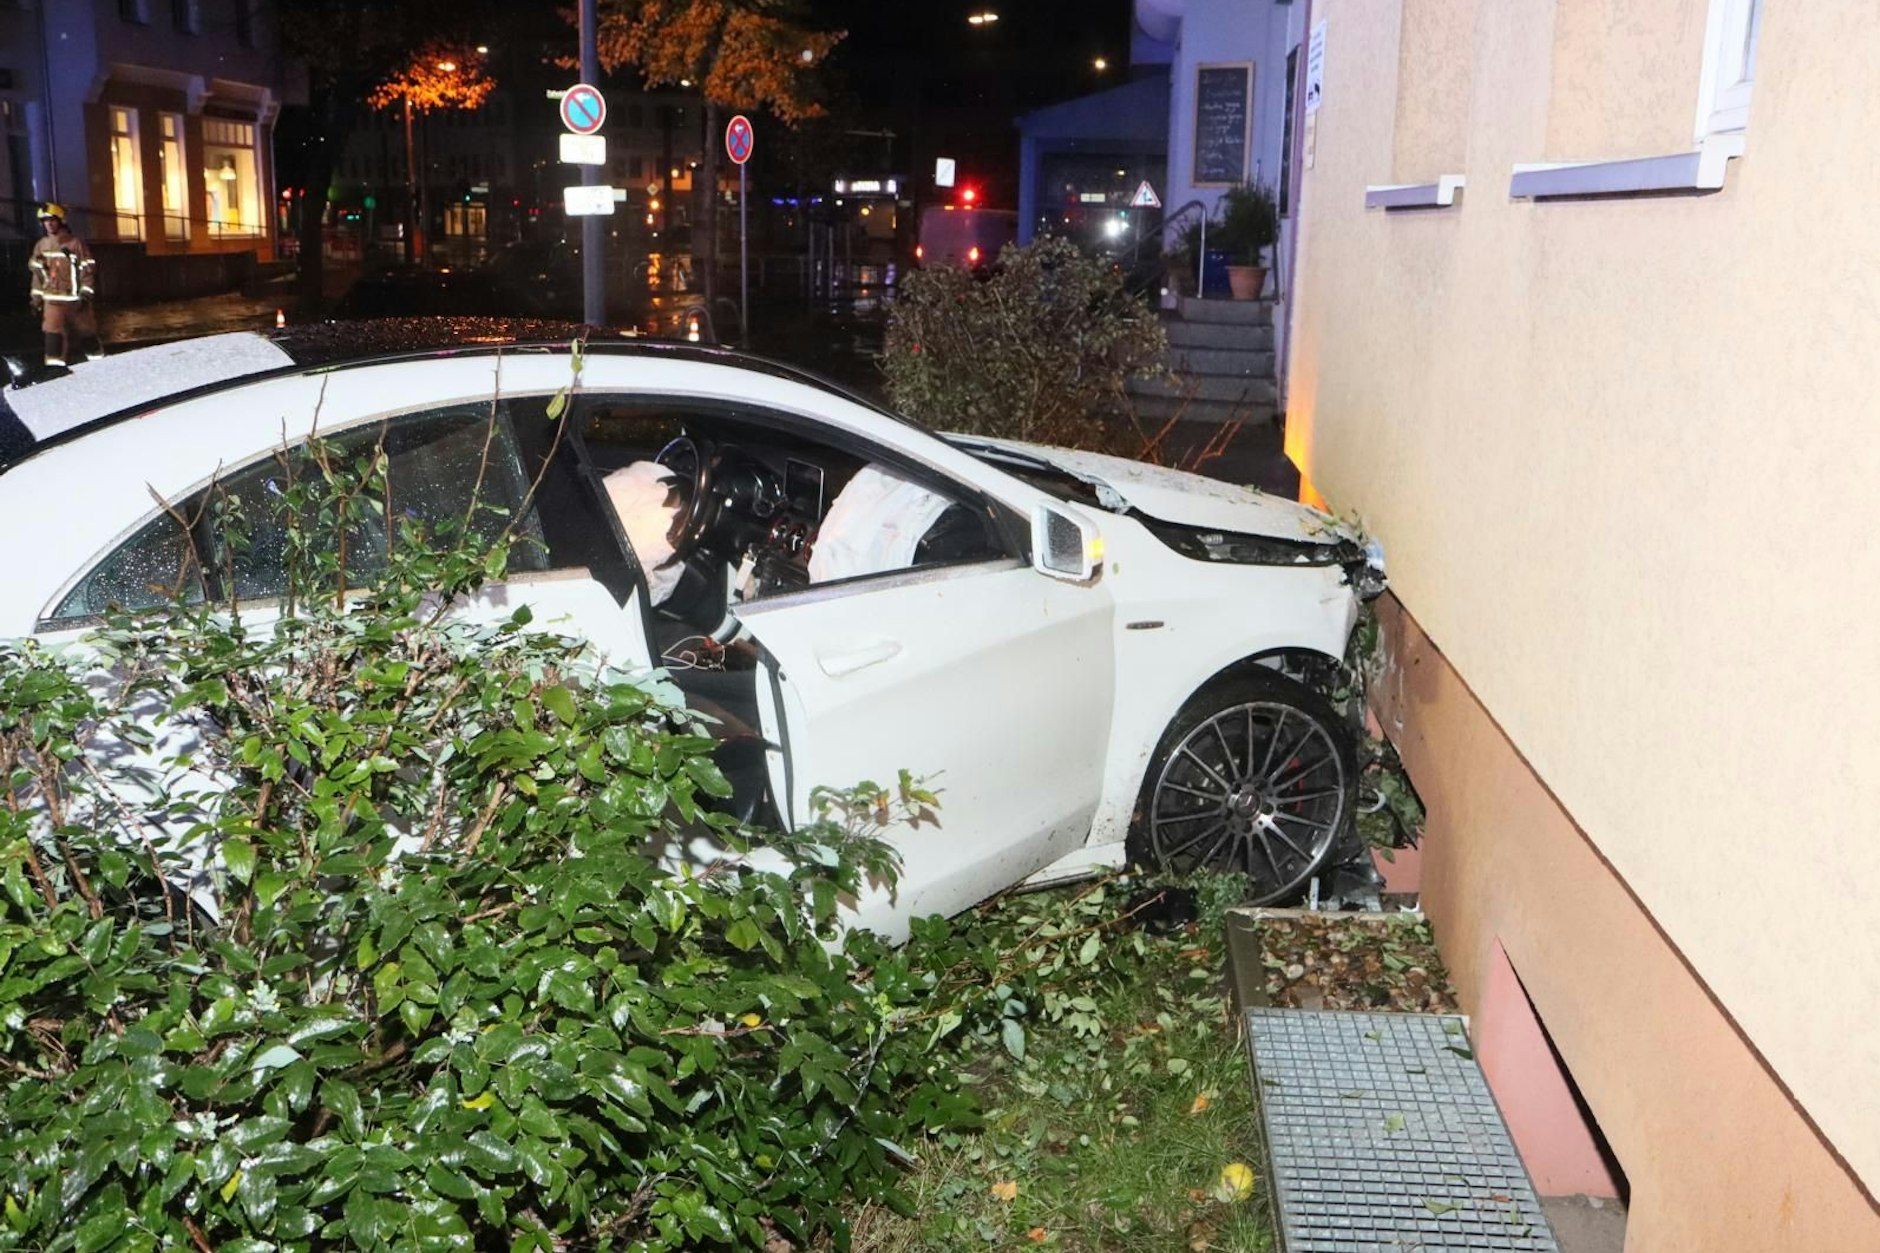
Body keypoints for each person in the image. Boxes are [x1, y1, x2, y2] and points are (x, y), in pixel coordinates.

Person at [28, 203, 99, 368]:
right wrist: (36, 299)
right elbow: (38, 275)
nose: (49, 224)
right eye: (45, 221)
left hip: (76, 301)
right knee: (53, 338)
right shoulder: (41, 246)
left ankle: (99, 365)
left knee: (87, 335)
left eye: (52, 220)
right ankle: (54, 370)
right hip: (52, 301)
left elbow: (87, 269)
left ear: (61, 221)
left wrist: (86, 294)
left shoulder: (75, 244)